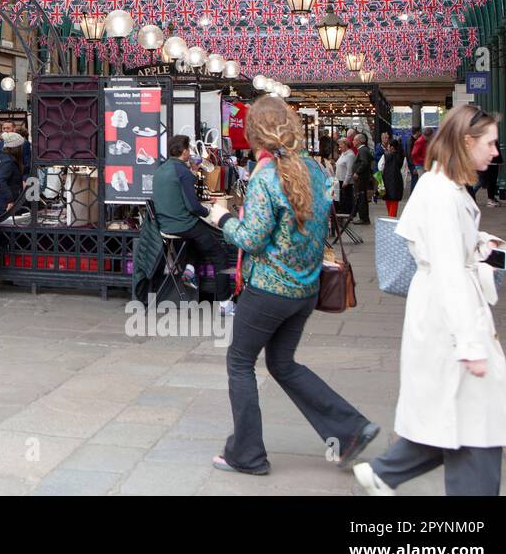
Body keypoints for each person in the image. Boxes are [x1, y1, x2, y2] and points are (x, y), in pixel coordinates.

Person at [354, 105, 506, 497]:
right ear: (466, 142)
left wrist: (479, 244)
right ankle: (386, 473)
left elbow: (446, 253)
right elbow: (448, 269)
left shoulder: (444, 187)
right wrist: (470, 343)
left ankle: (384, 473)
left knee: (462, 423)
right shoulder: (443, 192)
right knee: (472, 426)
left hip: (445, 315)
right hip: (449, 320)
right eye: (490, 143)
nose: (495, 153)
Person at [208, 95, 379, 476]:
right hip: (305, 289)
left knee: (239, 363)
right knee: (282, 363)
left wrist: (222, 219)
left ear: (256, 133)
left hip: (268, 290)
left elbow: (251, 238)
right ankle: (349, 430)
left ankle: (247, 454)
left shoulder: (265, 177)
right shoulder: (315, 171)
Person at [152, 134, 234, 302]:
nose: (190, 152)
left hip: (165, 225)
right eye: (188, 149)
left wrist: (193, 173)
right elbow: (193, 207)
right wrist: (210, 214)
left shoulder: (160, 169)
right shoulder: (182, 172)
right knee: (220, 255)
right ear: (183, 152)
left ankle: (189, 270)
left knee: (199, 237)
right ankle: (225, 303)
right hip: (183, 225)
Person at [352, 133, 373, 224]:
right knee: (361, 197)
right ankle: (363, 217)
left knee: (361, 198)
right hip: (361, 178)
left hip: (361, 178)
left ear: (360, 141)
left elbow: (365, 162)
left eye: (355, 140)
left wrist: (357, 172)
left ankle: (364, 218)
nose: (353, 141)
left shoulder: (363, 150)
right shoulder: (362, 150)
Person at [381, 138, 405, 217]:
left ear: (391, 147)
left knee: (388, 199)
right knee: (394, 200)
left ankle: (390, 218)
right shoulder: (400, 155)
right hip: (397, 180)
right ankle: (391, 218)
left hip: (386, 179)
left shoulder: (386, 155)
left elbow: (380, 167)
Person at [334, 140, 355, 215]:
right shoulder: (343, 154)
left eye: (341, 145)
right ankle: (343, 210)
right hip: (339, 179)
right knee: (342, 197)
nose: (340, 147)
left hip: (345, 180)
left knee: (347, 197)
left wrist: (346, 181)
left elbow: (350, 170)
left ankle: (348, 212)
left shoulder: (350, 155)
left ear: (346, 145)